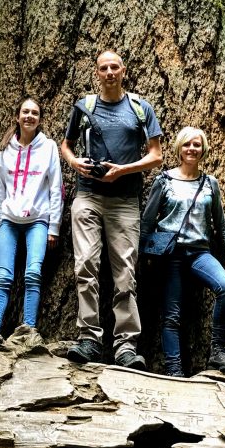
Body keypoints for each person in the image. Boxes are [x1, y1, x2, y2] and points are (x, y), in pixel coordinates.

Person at [61, 50, 163, 369]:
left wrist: (122, 170)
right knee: (85, 266)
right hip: (88, 196)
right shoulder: (85, 106)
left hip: (125, 200)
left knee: (125, 273)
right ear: (97, 73)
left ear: (124, 71)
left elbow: (156, 156)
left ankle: (126, 346)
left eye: (114, 67)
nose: (109, 72)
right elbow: (65, 144)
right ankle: (90, 339)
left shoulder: (140, 108)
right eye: (103, 68)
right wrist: (75, 162)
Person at [140, 126, 225, 377]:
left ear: (203, 149)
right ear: (179, 148)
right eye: (187, 144)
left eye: (196, 144)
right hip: (170, 255)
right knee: (172, 316)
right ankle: (174, 370)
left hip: (199, 253)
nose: (191, 149)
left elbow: (221, 223)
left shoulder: (210, 183)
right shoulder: (164, 181)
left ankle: (218, 351)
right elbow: (148, 221)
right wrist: (144, 255)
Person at [0, 98, 63, 350]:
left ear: (40, 119)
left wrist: (54, 227)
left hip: (38, 221)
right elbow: (0, 189)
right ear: (17, 116)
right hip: (9, 220)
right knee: (4, 277)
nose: (29, 116)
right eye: (25, 112)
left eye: (35, 113)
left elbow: (56, 189)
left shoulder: (49, 146)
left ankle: (28, 331)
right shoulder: (5, 147)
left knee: (32, 274)